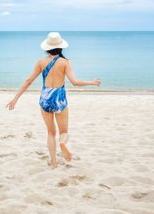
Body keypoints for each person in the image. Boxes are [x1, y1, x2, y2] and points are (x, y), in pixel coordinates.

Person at [6, 32, 101, 169]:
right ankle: (62, 144)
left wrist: (15, 99)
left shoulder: (41, 62)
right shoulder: (65, 62)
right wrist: (92, 83)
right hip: (59, 98)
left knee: (51, 133)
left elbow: (28, 81)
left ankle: (54, 162)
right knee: (63, 132)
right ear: (61, 47)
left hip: (45, 98)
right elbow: (74, 82)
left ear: (47, 48)